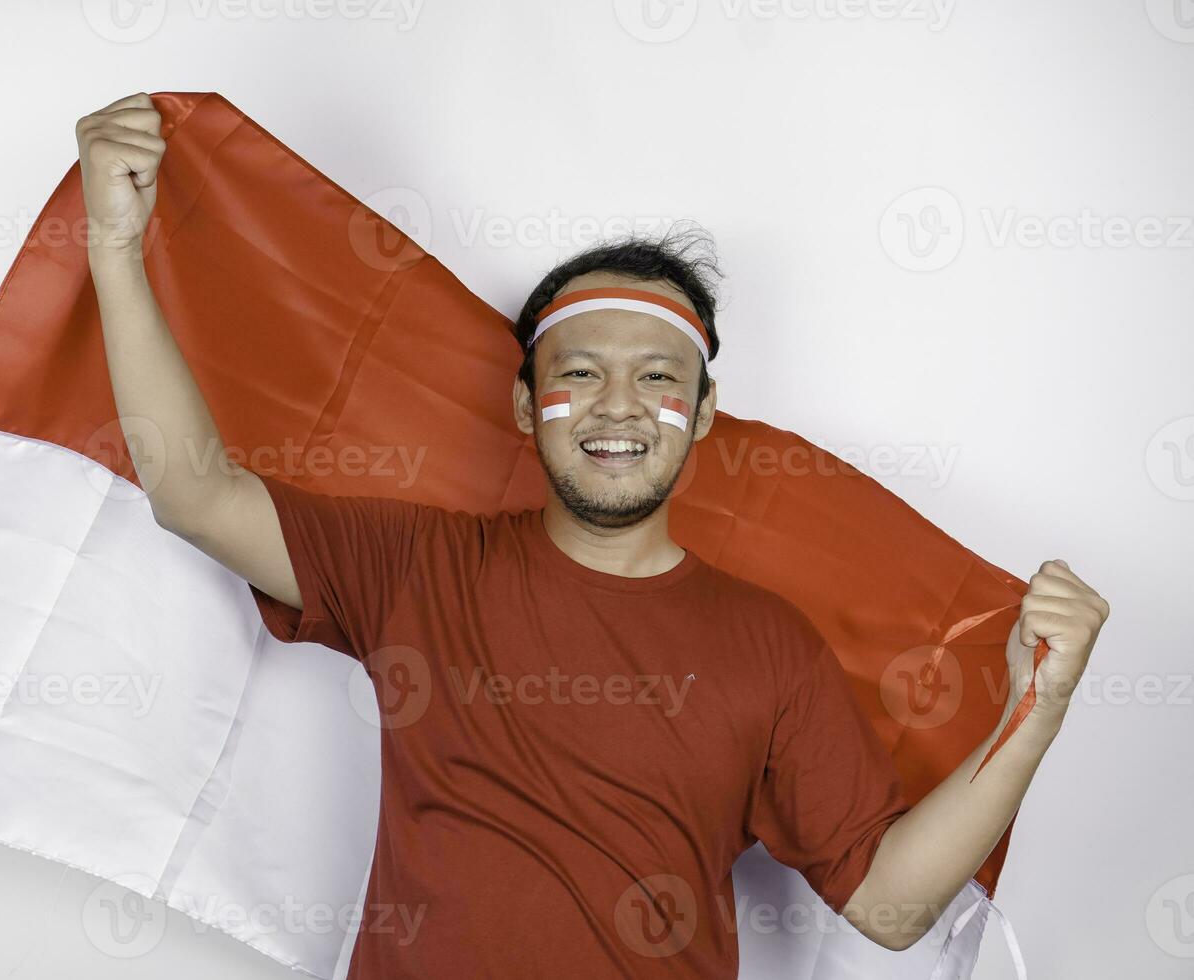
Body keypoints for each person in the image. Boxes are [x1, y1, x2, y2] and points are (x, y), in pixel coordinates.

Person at [75, 92, 1110, 978]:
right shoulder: (418, 567)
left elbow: (889, 907)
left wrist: (1039, 705)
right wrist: (118, 248)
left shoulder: (770, 647)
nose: (617, 403)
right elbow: (194, 492)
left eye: (658, 376)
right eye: (578, 372)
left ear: (702, 413)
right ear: (528, 408)